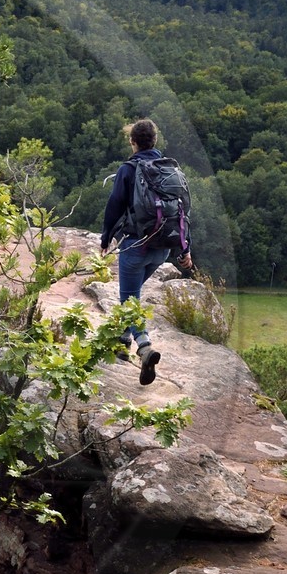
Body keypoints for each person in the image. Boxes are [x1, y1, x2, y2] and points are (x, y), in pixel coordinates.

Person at [99, 118, 192, 385]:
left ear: (133, 142)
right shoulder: (170, 170)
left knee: (130, 302)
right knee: (131, 296)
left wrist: (106, 238)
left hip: (135, 246)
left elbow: (114, 205)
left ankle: (144, 346)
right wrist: (185, 248)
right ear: (155, 140)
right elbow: (183, 211)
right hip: (162, 249)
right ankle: (121, 342)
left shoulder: (129, 169)